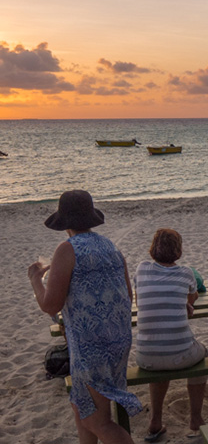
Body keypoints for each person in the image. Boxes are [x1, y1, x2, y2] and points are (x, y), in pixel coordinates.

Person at [27, 190, 141, 444]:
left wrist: (36, 280)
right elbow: (127, 296)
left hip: (91, 347)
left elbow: (50, 305)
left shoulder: (67, 250)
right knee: (83, 410)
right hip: (117, 340)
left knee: (97, 421)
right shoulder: (111, 247)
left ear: (64, 223)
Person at [134, 229, 208, 441]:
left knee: (161, 355)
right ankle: (195, 419)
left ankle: (155, 421)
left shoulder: (142, 269)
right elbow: (192, 297)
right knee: (201, 354)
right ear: (178, 250)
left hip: (145, 357)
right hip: (179, 355)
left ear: (153, 249)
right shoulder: (185, 273)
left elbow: (140, 302)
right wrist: (184, 302)